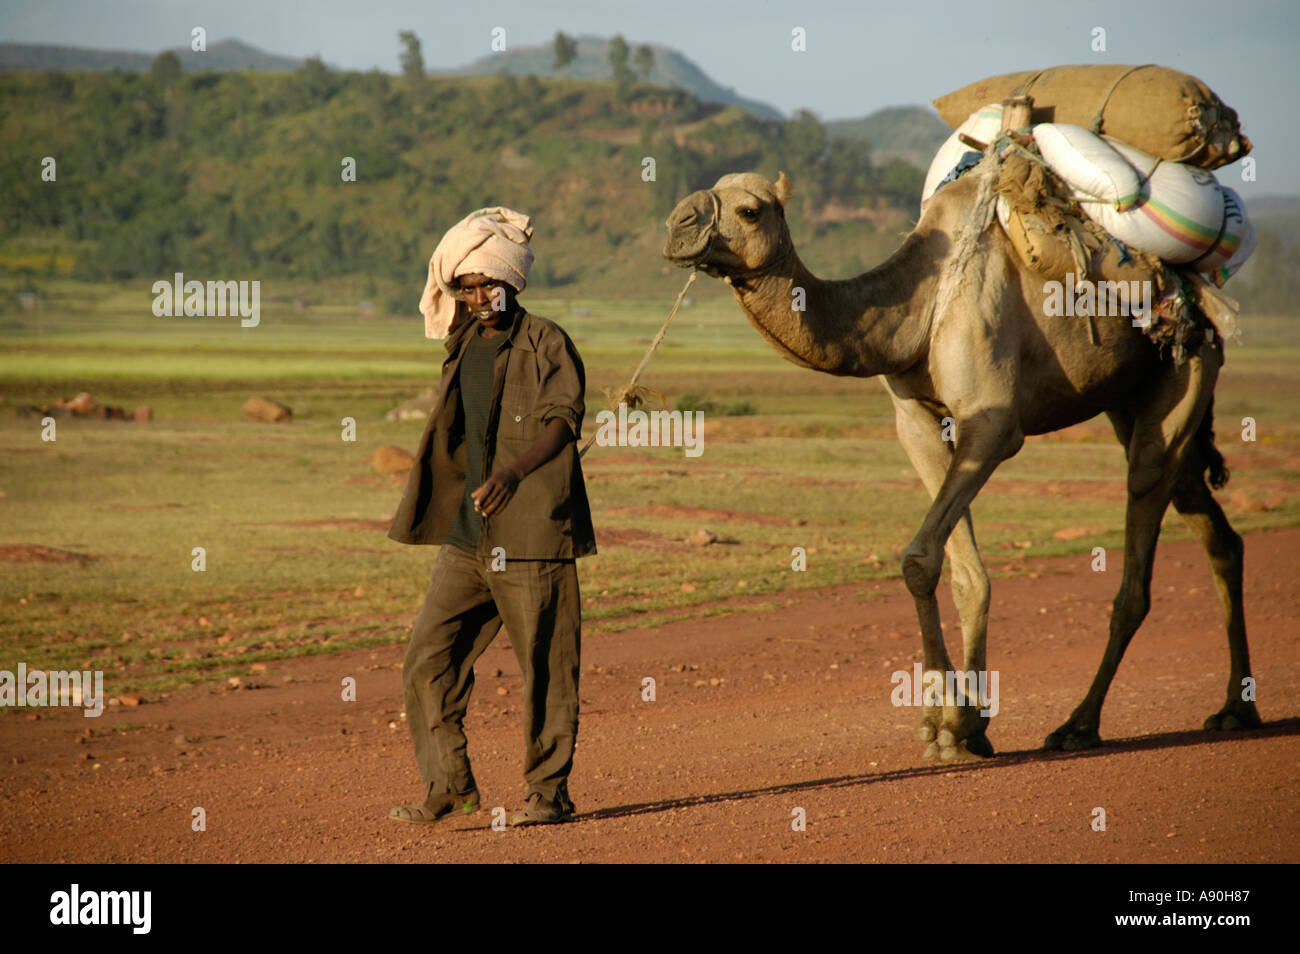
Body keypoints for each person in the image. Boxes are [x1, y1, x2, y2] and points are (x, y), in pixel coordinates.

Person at [387, 207, 597, 827]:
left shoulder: (547, 341)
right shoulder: (462, 344)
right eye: (468, 287)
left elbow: (564, 420)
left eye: (490, 285)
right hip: (467, 538)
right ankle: (450, 785)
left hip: (533, 535)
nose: (480, 298)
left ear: (513, 284)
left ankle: (547, 794)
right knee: (428, 659)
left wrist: (513, 471)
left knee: (545, 670)